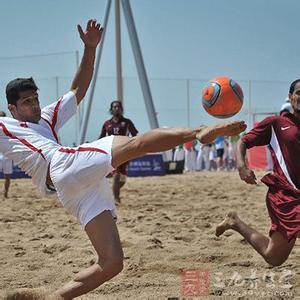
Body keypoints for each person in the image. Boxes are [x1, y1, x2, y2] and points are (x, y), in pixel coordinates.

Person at [1, 20, 247, 299]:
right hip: (62, 165)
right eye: (26, 102)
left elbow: (78, 90)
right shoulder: (4, 127)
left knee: (112, 263)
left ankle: (54, 298)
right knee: (136, 144)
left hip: (70, 190)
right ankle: (199, 131)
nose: (33, 105)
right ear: (12, 108)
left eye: (35, 98)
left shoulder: (45, 117)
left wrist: (90, 48)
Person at [216, 79, 300, 267]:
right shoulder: (276, 123)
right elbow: (243, 141)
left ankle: (234, 222)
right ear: (290, 97)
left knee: (273, 257)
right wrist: (241, 166)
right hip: (284, 196)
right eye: (299, 92)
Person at [99, 100, 138, 203]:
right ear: (111, 109)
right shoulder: (107, 124)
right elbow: (101, 138)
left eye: (118, 107)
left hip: (125, 152)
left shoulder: (127, 122)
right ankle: (116, 200)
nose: (117, 108)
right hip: (112, 153)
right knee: (116, 175)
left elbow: (135, 136)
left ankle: (113, 191)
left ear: (121, 109)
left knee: (122, 179)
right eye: (114, 107)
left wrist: (135, 148)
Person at [0, 111, 13, 198]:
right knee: (7, 176)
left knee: (7, 176)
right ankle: (5, 194)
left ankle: (5, 194)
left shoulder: (9, 128)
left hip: (7, 155)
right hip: (4, 155)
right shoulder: (8, 128)